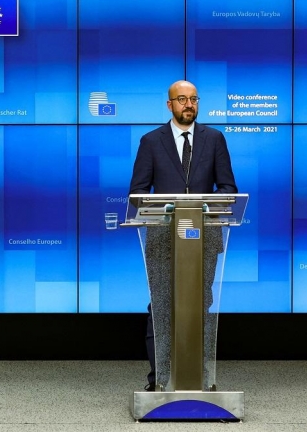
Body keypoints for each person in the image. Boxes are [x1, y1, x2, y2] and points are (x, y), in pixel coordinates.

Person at [128, 80, 237, 391]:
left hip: (204, 239)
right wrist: (169, 208)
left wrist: (201, 207)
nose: (189, 105)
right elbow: (137, 192)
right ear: (169, 105)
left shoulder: (214, 139)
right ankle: (159, 380)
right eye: (182, 100)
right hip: (162, 240)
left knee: (199, 305)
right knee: (161, 306)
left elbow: (228, 188)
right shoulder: (151, 141)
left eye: (193, 99)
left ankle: (200, 379)